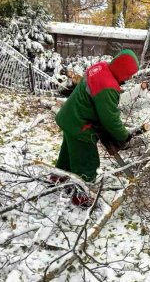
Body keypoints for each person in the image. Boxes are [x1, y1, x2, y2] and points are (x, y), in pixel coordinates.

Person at [54, 49, 139, 207]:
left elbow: (96, 102)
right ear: (123, 71)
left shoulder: (101, 67)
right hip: (80, 125)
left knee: (68, 153)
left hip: (69, 117)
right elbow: (110, 118)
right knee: (87, 162)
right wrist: (124, 136)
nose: (130, 78)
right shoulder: (108, 86)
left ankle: (57, 177)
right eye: (129, 74)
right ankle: (80, 197)